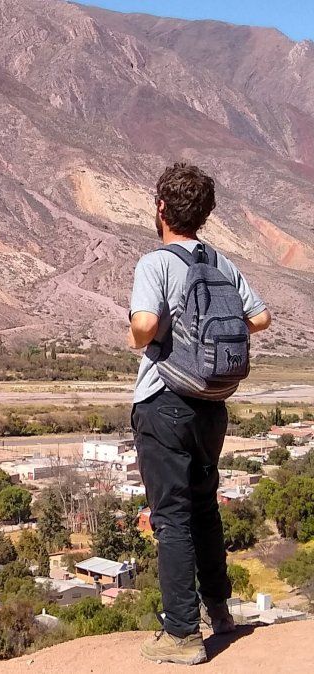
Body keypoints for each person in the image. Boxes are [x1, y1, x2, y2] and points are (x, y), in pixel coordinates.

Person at [128, 163, 272, 664]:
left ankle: (183, 635)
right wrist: (211, 337)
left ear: (161, 208)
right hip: (213, 405)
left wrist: (148, 335)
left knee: (171, 518)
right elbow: (260, 317)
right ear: (205, 213)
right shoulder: (220, 262)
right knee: (205, 508)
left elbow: (145, 324)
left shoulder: (156, 263)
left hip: (164, 402)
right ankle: (220, 612)